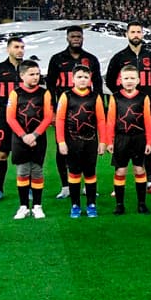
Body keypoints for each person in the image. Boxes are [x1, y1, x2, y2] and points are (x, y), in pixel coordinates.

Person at [46, 25, 102, 201]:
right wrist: (53, 111)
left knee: (87, 149)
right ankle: (66, 186)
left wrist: (98, 107)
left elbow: (98, 85)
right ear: (67, 38)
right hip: (65, 111)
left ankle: (87, 184)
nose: (76, 38)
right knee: (62, 149)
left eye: (79, 36)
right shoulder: (57, 59)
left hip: (87, 111)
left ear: (83, 38)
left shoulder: (91, 59)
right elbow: (50, 87)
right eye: (73, 36)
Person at [107, 22, 151, 196]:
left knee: (148, 143)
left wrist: (147, 92)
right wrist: (122, 97)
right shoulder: (119, 57)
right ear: (127, 34)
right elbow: (110, 80)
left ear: (143, 34)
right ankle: (119, 183)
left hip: (146, 105)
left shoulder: (150, 57)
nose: (136, 34)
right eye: (133, 32)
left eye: (139, 31)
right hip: (124, 107)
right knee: (121, 142)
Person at [54, 65, 107, 218]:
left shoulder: (95, 96)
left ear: (90, 79)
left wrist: (102, 141)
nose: (82, 80)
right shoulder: (66, 96)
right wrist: (61, 141)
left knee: (90, 173)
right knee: (74, 173)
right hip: (72, 142)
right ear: (73, 79)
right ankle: (75, 205)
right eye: (79, 77)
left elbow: (101, 120)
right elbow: (60, 119)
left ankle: (91, 204)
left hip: (91, 142)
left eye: (85, 77)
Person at [4, 60, 53, 220]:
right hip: (20, 139)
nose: (35, 77)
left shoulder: (44, 93)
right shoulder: (15, 93)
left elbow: (47, 117)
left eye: (37, 74)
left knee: (37, 171)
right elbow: (10, 118)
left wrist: (35, 135)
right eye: (31, 74)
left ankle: (37, 206)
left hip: (38, 139)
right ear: (22, 75)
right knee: (23, 172)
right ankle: (23, 206)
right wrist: (24, 136)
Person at [105, 64, 151, 214]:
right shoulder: (115, 97)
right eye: (126, 78)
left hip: (139, 138)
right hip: (121, 139)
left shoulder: (143, 97)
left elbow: (147, 120)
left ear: (138, 80)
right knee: (120, 171)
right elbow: (111, 120)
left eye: (132, 78)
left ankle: (141, 203)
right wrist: (109, 141)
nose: (129, 81)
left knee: (139, 169)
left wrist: (149, 141)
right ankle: (119, 204)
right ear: (121, 80)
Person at [0, 35, 25, 203]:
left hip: (25, 120)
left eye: (22, 47)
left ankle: (28, 189)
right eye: (16, 47)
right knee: (2, 154)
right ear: (8, 49)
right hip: (4, 119)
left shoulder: (28, 69)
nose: (20, 50)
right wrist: (2, 112)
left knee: (25, 156)